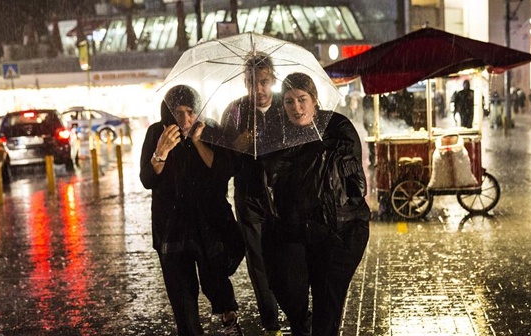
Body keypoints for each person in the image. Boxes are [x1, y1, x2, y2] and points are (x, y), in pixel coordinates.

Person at [261, 72, 370, 336]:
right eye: (288, 102)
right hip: (299, 230)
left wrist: (305, 151)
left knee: (326, 305)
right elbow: (272, 176)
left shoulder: (336, 126)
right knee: (289, 293)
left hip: (341, 229)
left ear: (314, 99)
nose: (296, 108)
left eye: (302, 99)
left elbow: (337, 172)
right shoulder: (278, 134)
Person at [140, 85, 244, 336]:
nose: (185, 120)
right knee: (182, 296)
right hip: (171, 229)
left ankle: (228, 316)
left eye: (190, 112)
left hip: (208, 225)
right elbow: (147, 179)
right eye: (178, 113)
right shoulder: (157, 132)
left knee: (216, 278)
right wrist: (160, 153)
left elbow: (224, 171)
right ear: (168, 113)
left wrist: (198, 143)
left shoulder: (211, 131)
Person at [220, 54, 283, 335]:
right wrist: (239, 145)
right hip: (248, 198)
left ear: (273, 80)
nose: (259, 89)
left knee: (286, 258)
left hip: (283, 197)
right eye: (253, 83)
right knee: (258, 263)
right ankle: (271, 322)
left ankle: (294, 308)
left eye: (264, 82)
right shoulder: (235, 111)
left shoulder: (285, 107)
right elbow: (224, 163)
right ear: (245, 82)